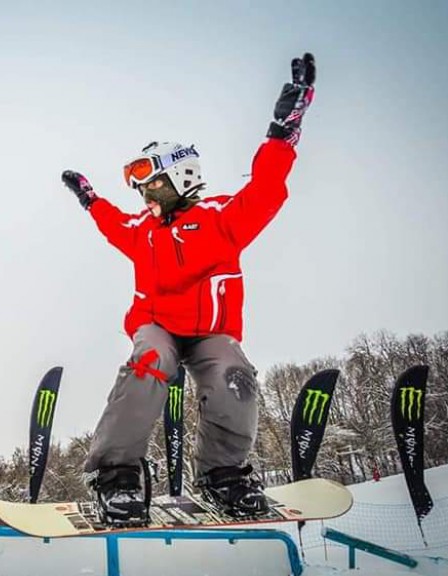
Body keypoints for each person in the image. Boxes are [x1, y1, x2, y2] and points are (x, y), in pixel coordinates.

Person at [61, 53, 316, 524]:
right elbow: (114, 223)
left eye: (152, 184)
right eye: (140, 189)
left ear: (180, 178)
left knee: (234, 375)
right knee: (151, 361)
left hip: (209, 333)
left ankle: (223, 474)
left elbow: (266, 186)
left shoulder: (220, 220)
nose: (144, 196)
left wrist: (283, 131)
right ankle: (117, 476)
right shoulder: (143, 231)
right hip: (158, 326)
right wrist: (90, 200)